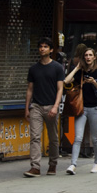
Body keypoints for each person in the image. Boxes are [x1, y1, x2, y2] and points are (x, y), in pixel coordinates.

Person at [23, 38, 64, 177]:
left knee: (53, 138)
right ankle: (35, 167)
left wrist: (56, 106)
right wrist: (27, 108)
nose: (42, 49)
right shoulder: (33, 69)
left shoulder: (58, 67)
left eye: (46, 47)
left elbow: (60, 89)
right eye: (40, 46)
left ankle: (53, 164)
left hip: (51, 106)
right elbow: (29, 89)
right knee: (35, 137)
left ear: (51, 50)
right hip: (36, 106)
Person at [65, 48, 97, 175]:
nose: (88, 57)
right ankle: (73, 164)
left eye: (90, 55)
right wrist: (77, 68)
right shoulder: (81, 72)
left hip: (95, 108)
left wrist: (94, 82)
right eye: (86, 55)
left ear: (94, 57)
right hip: (81, 108)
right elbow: (66, 81)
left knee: (95, 138)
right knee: (77, 137)